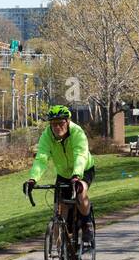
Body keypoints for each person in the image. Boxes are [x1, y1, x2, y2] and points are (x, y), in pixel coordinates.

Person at [23, 105, 96, 247]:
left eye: (60, 123)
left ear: (67, 122)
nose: (57, 127)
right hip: (63, 174)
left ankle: (87, 224)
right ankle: (59, 255)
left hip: (83, 169)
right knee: (59, 210)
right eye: (53, 124)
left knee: (80, 192)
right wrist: (33, 179)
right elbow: (41, 159)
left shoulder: (77, 133)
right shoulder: (47, 136)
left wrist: (76, 175)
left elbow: (80, 155)